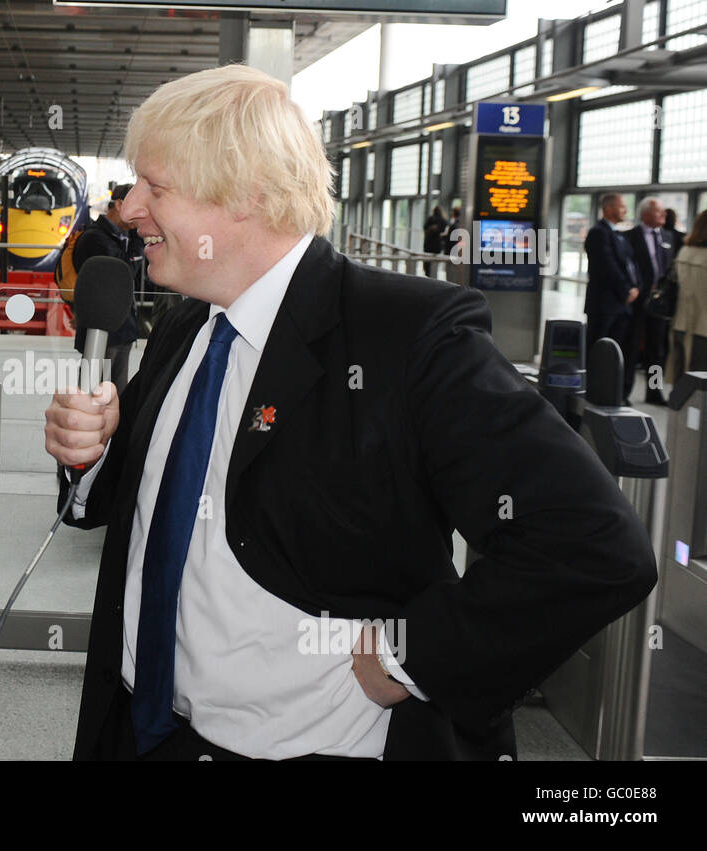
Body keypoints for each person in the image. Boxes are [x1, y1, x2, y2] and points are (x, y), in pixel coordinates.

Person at [43, 64, 656, 761]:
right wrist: (91, 458)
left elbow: (592, 542)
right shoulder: (188, 325)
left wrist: (411, 656)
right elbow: (158, 504)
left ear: (242, 194)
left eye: (155, 186)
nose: (128, 210)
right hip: (147, 731)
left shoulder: (406, 334)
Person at [72, 184, 140, 395]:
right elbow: (124, 273)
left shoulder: (118, 237)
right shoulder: (95, 238)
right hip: (102, 333)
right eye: (137, 208)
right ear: (119, 205)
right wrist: (138, 243)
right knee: (99, 394)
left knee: (115, 394)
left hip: (121, 330)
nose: (140, 217)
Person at [584, 193, 640, 402]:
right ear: (608, 209)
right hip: (604, 305)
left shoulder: (619, 234)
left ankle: (611, 392)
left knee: (617, 352)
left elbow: (630, 265)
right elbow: (606, 267)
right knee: (598, 351)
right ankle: (592, 391)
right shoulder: (598, 233)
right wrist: (626, 291)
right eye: (621, 207)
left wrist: (636, 287)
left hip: (622, 306)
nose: (625, 210)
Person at [625, 197, 671, 405]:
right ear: (645, 215)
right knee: (631, 347)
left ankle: (654, 392)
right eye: (658, 211)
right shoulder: (629, 237)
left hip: (658, 304)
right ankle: (623, 392)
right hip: (636, 302)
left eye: (663, 211)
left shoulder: (669, 237)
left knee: (656, 350)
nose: (663, 214)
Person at [670, 210, 707, 382]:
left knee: (681, 376)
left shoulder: (684, 251)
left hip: (680, 323)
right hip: (703, 329)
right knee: (700, 383)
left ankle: (677, 409)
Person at [422, 204, 447, 278]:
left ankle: (428, 275)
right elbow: (444, 229)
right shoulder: (443, 220)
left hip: (428, 245)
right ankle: (433, 276)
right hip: (437, 246)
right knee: (434, 263)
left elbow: (425, 227)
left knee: (427, 263)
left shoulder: (430, 219)